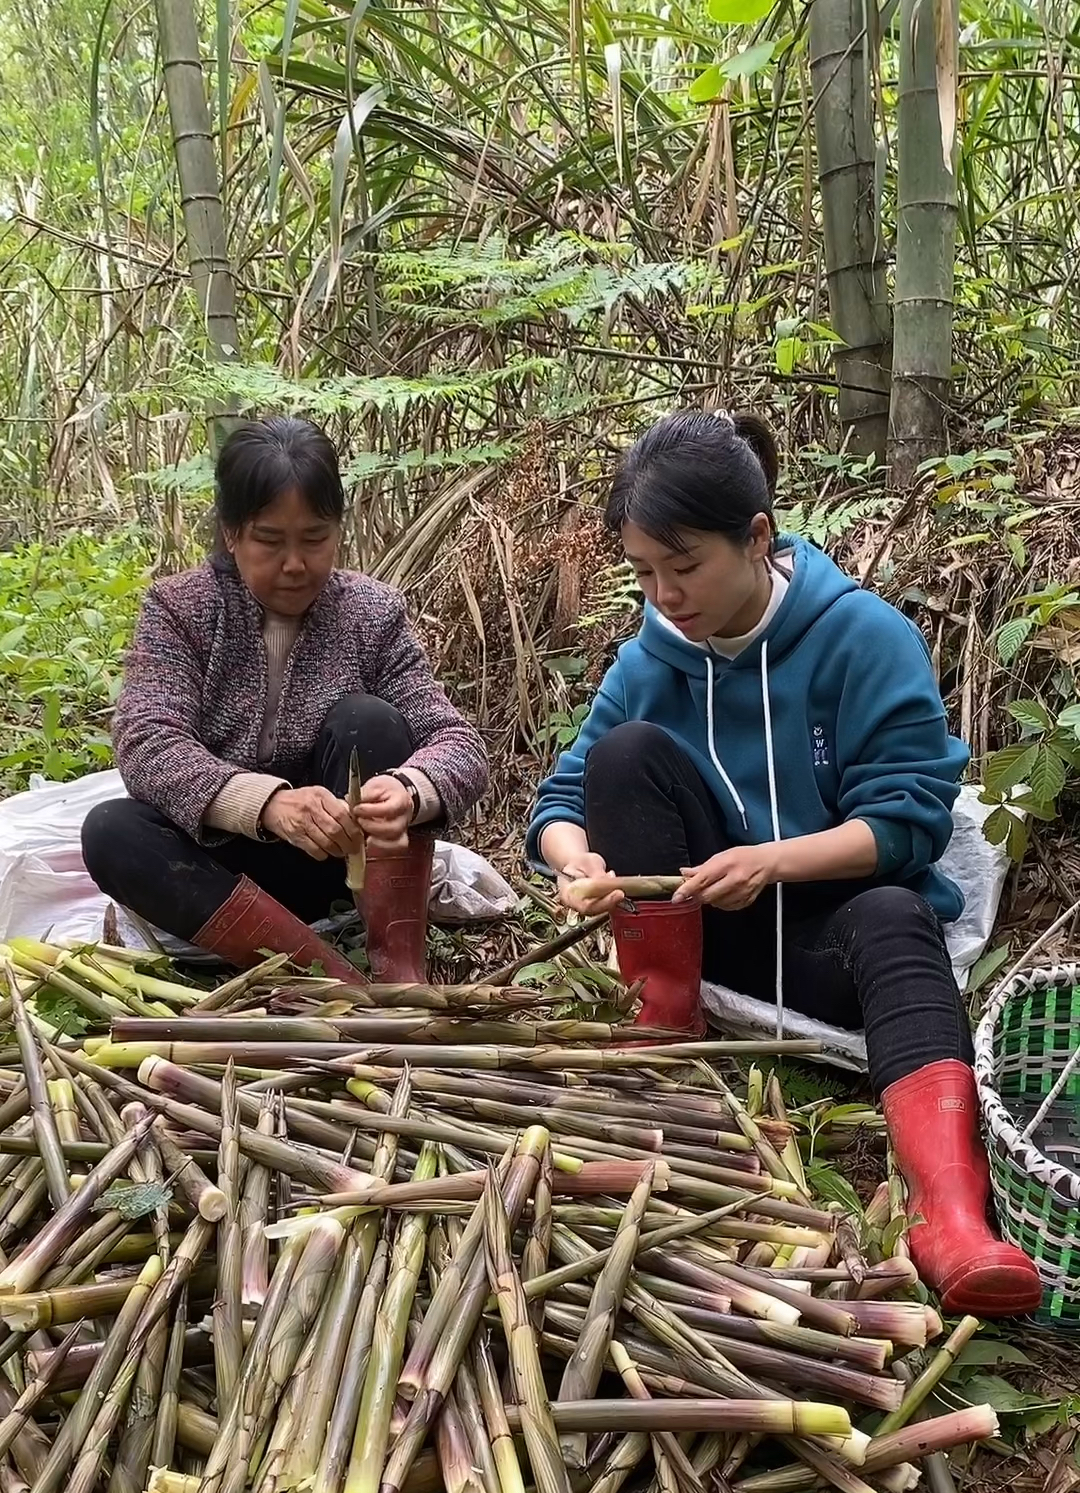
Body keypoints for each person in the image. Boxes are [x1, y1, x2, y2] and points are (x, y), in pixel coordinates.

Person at [527, 408, 1039, 1317]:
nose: (665, 595)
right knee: (625, 754)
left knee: (896, 915)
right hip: (702, 935)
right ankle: (662, 1045)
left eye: (685, 568)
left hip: (826, 942)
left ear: (758, 536)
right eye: (644, 573)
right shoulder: (649, 660)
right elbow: (561, 803)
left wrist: (773, 859)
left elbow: (908, 824)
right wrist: (577, 867)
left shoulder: (862, 637)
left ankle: (952, 1218)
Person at [82, 416, 488, 986]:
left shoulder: (371, 612)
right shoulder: (181, 610)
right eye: (270, 541)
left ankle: (397, 963)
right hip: (217, 867)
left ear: (338, 531)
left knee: (367, 722)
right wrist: (268, 805)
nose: (295, 564)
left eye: (315, 538)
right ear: (231, 534)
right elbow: (148, 740)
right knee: (109, 831)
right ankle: (320, 974)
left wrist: (409, 790)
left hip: (337, 864)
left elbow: (457, 743)